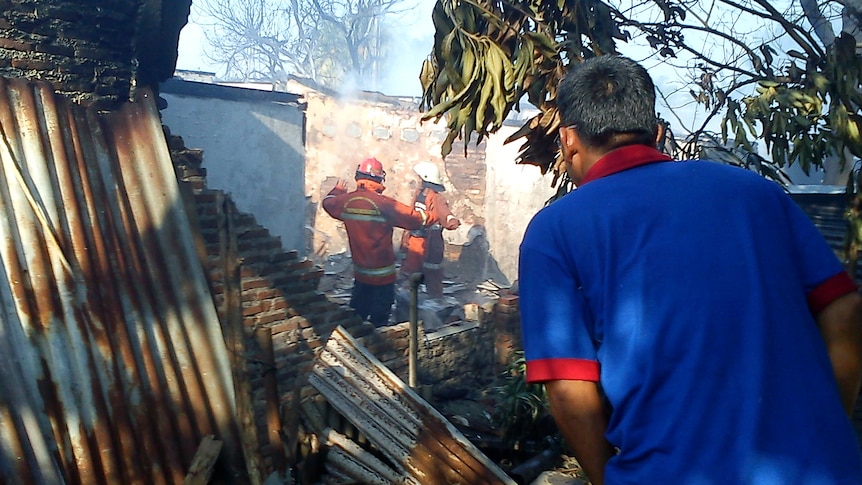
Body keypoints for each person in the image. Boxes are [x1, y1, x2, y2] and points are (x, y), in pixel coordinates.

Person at [518, 55, 862, 485]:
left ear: (568, 140)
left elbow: (570, 388)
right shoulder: (758, 194)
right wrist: (826, 425)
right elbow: (845, 308)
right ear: (658, 132)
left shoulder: (555, 230)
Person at [322, 157, 428, 326]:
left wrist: (337, 190)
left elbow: (327, 203)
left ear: (358, 176)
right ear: (380, 179)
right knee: (380, 320)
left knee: (357, 315)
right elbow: (414, 219)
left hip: (360, 274)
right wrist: (431, 215)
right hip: (383, 277)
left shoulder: (345, 201)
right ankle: (379, 347)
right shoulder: (384, 204)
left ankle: (358, 343)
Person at [400, 161, 460, 299]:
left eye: (420, 178)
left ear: (426, 179)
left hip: (430, 243)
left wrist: (451, 220)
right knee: (410, 272)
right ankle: (407, 301)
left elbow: (445, 212)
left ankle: (434, 303)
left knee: (432, 272)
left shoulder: (437, 198)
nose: (418, 180)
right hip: (415, 240)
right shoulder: (419, 194)